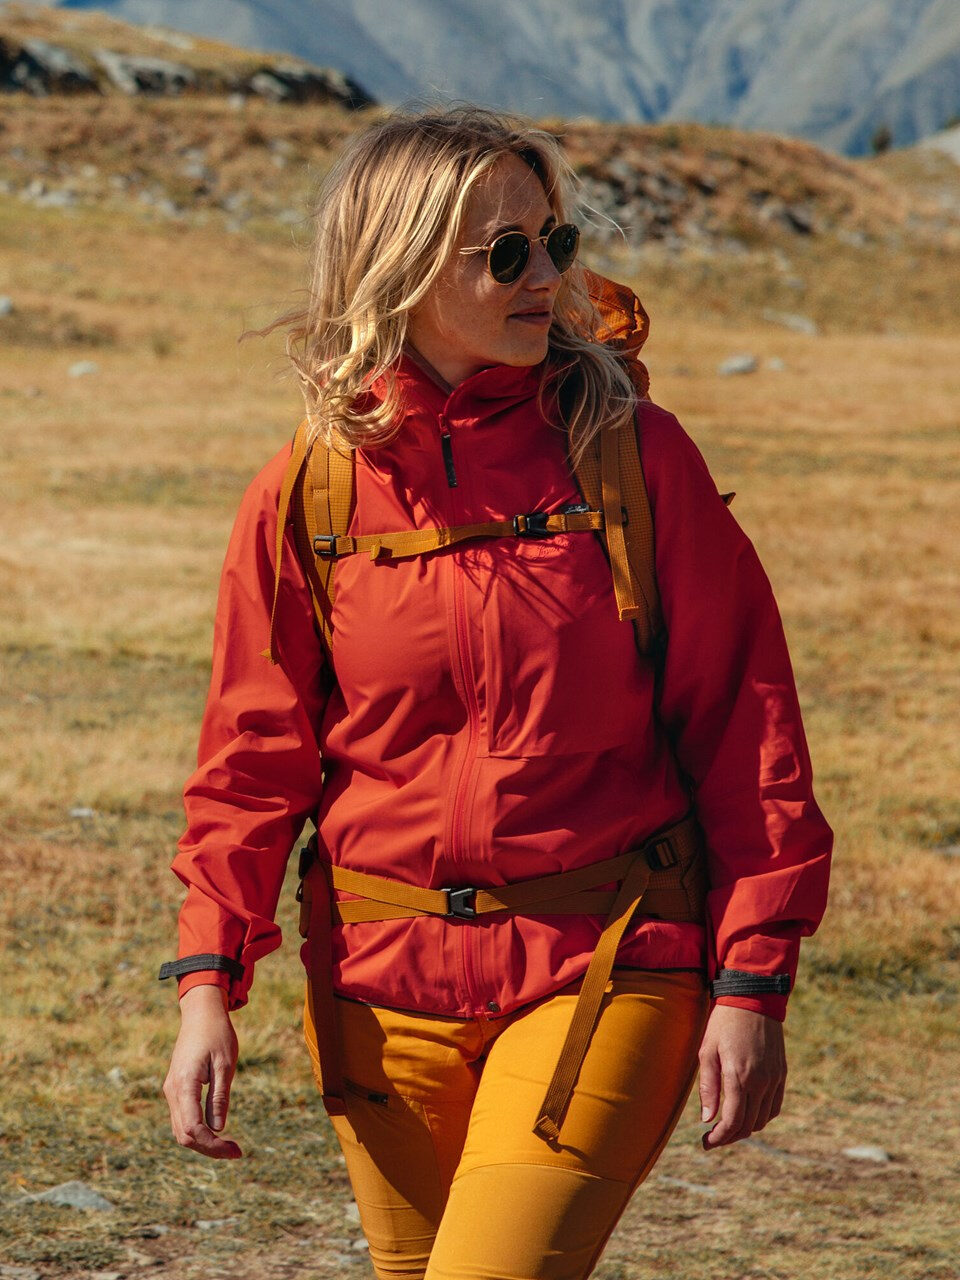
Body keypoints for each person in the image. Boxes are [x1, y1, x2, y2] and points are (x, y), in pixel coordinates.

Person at [160, 104, 832, 1280]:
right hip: (376, 987)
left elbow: (747, 726)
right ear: (403, 267)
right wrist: (209, 983)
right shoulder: (307, 489)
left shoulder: (633, 454)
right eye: (505, 253)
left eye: (555, 242)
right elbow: (251, 756)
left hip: (606, 958)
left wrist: (752, 977)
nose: (546, 277)